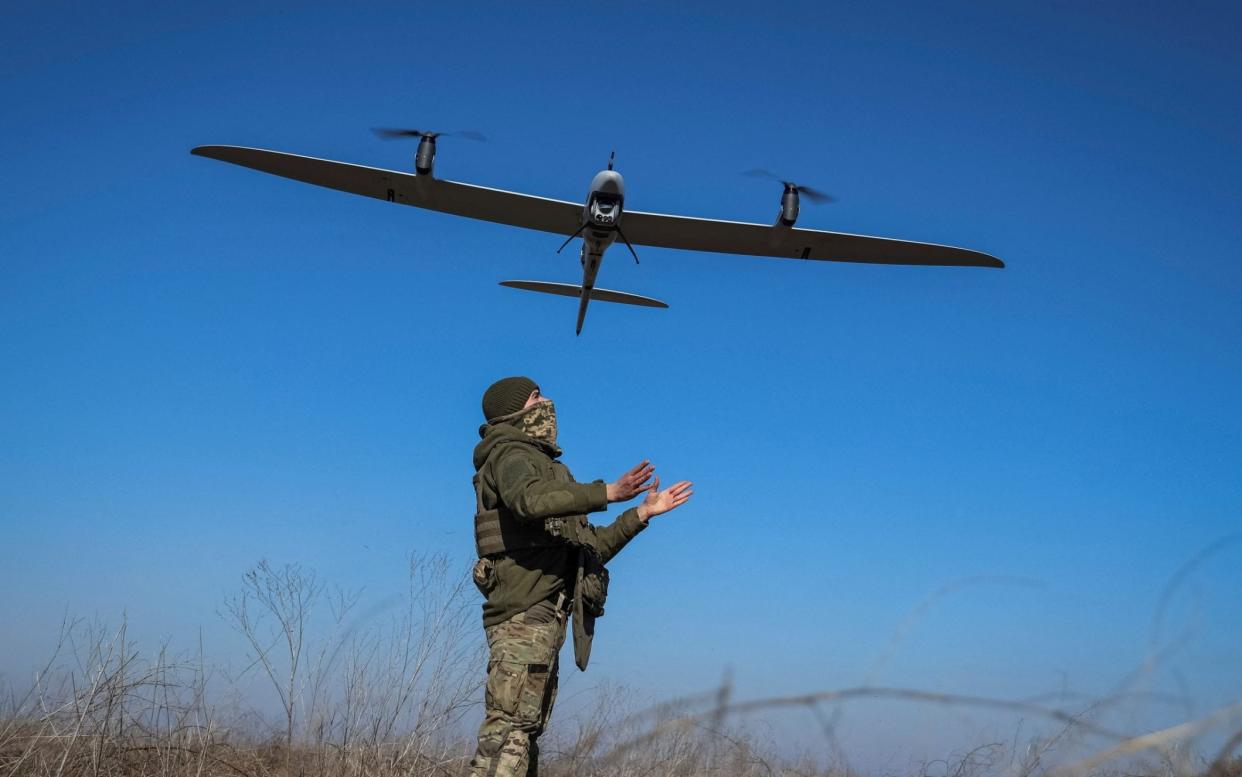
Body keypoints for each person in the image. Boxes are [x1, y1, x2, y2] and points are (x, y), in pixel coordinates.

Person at [468, 376, 692, 777]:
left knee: (523, 732)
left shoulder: (551, 471)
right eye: (536, 396)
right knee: (507, 734)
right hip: (523, 612)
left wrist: (640, 514)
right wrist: (606, 492)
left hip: (545, 616)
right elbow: (528, 500)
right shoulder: (509, 454)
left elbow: (588, 548)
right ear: (515, 410)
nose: (547, 401)